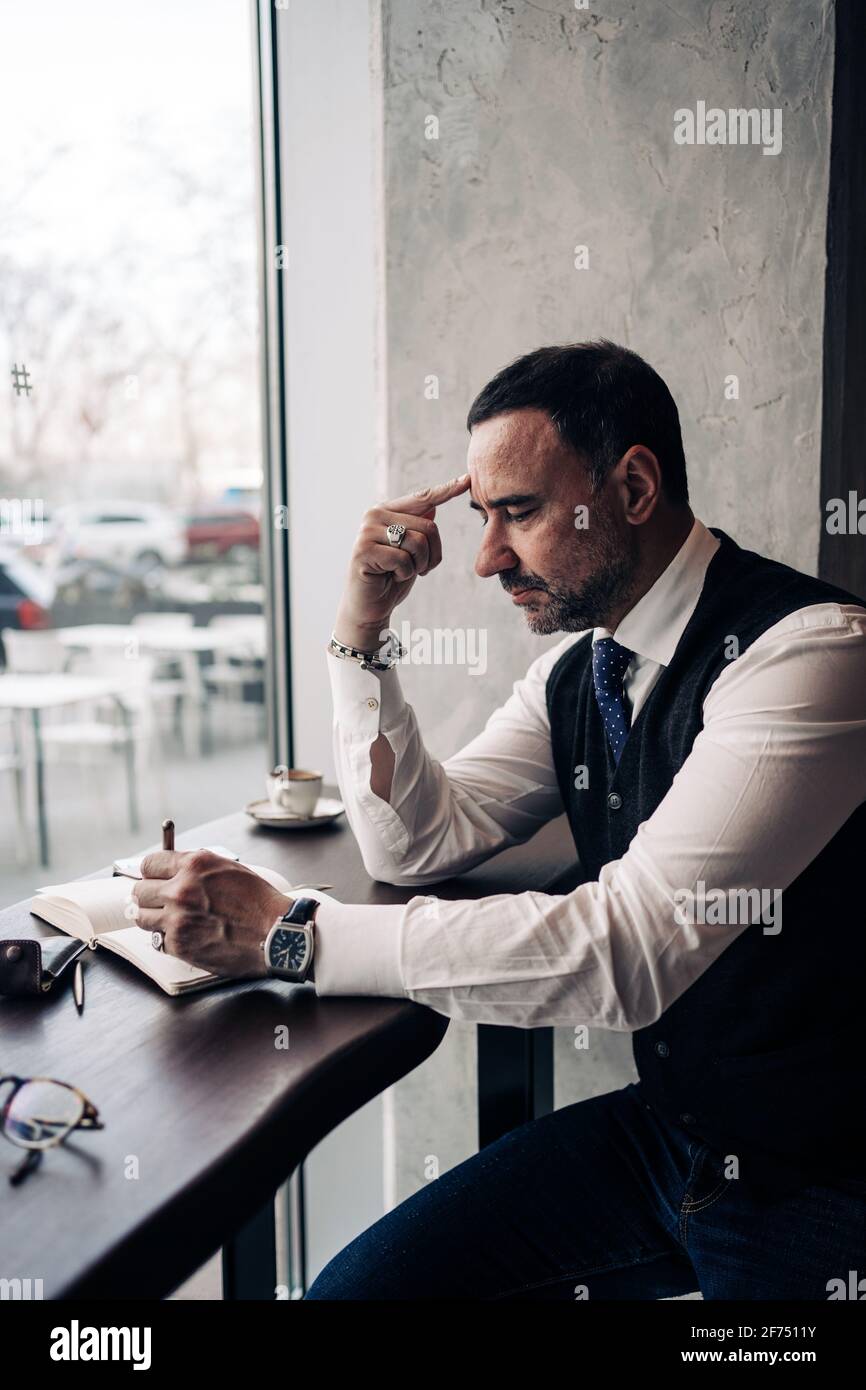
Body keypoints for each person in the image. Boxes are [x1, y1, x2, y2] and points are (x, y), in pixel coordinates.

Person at [134, 340, 866, 1299]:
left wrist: (290, 937)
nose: (483, 558)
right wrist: (361, 627)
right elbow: (414, 840)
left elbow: (626, 952)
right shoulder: (581, 672)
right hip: (671, 1136)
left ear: (634, 487)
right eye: (482, 517)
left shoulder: (812, 657)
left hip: (825, 1175)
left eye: (516, 512)